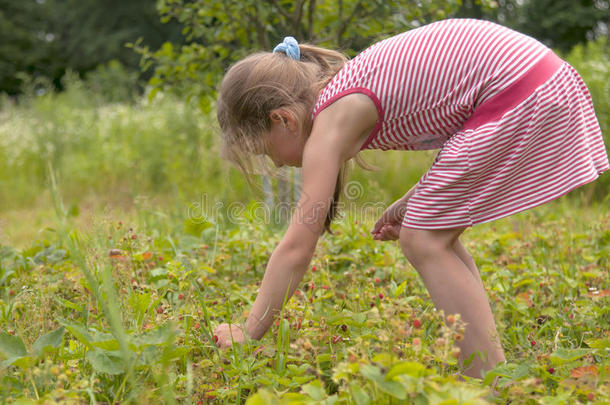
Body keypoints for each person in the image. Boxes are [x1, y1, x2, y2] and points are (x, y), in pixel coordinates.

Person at [212, 18, 609, 378]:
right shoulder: (344, 93)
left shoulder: (331, 122)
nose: (278, 166)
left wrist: (249, 329)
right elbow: (458, 119)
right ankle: (492, 370)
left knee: (423, 239)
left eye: (267, 153)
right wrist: (414, 201)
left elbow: (297, 247)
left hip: (518, 91)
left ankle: (488, 381)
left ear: (284, 119)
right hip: (535, 77)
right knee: (432, 234)